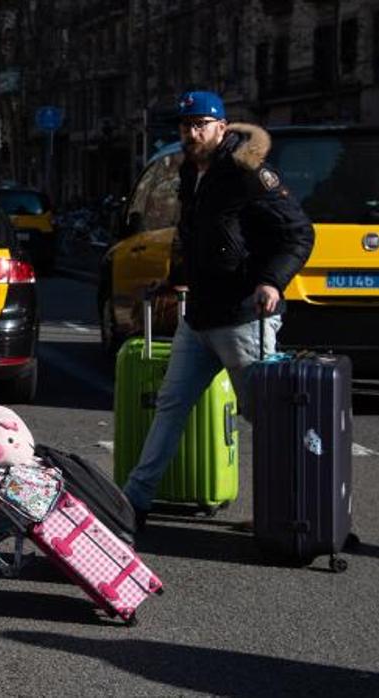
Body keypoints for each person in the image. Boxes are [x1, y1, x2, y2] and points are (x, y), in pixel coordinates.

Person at [123, 91, 314, 529]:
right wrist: (173, 280)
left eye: (200, 125)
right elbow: (193, 236)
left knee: (264, 416)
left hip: (244, 317)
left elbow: (299, 233)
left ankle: (289, 508)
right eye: (185, 125)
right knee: (171, 404)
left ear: (221, 128)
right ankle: (134, 501)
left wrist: (271, 281)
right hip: (201, 316)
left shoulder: (248, 172)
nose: (191, 133)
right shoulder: (191, 172)